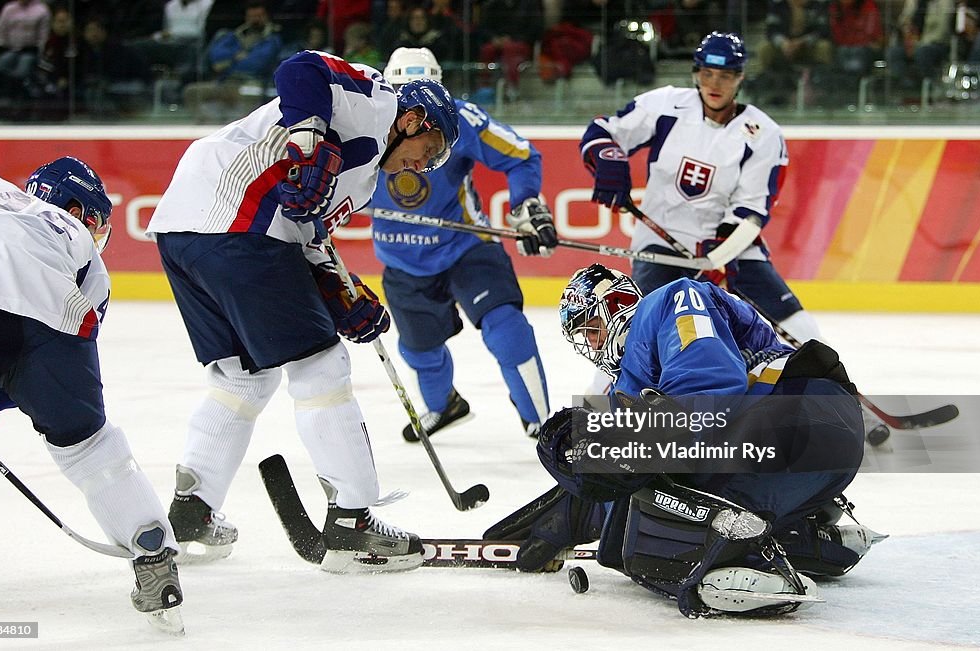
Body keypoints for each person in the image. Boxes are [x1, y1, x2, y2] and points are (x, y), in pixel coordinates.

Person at [146, 50, 460, 573]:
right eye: (430, 150)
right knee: (322, 367)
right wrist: (310, 138)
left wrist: (342, 290)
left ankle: (192, 511)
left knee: (243, 376)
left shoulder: (363, 183)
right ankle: (353, 523)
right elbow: (300, 68)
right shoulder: (376, 99)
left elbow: (308, 234)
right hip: (238, 221)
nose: (423, 166)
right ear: (413, 120)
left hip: (186, 230)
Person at [496, 264, 882, 617]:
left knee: (652, 547)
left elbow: (708, 389)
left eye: (591, 328)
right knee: (636, 511)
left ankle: (740, 561)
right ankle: (812, 536)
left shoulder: (670, 300)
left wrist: (603, 450)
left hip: (795, 418)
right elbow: (636, 470)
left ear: (615, 305)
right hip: (813, 454)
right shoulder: (628, 383)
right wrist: (569, 512)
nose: (592, 343)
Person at [578, 30, 891, 443]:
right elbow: (604, 131)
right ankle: (593, 416)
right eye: (707, 73)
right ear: (696, 73)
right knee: (635, 329)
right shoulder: (666, 104)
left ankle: (846, 407)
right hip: (662, 245)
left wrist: (717, 258)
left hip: (733, 247)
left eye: (725, 76)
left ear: (740, 78)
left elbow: (750, 212)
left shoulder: (763, 133)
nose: (715, 84)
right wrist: (609, 162)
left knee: (794, 321)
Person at [0, 157, 184, 634]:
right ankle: (152, 551)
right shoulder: (89, 260)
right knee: (89, 448)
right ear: (76, 209)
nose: (98, 231)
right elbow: (27, 374)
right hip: (55, 315)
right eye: (96, 219)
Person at [369, 47, 555, 441]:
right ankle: (444, 406)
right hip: (402, 260)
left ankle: (543, 422)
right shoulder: (364, 122)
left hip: (466, 246)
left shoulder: (460, 118)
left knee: (507, 329)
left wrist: (526, 204)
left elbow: (521, 156)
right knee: (418, 350)